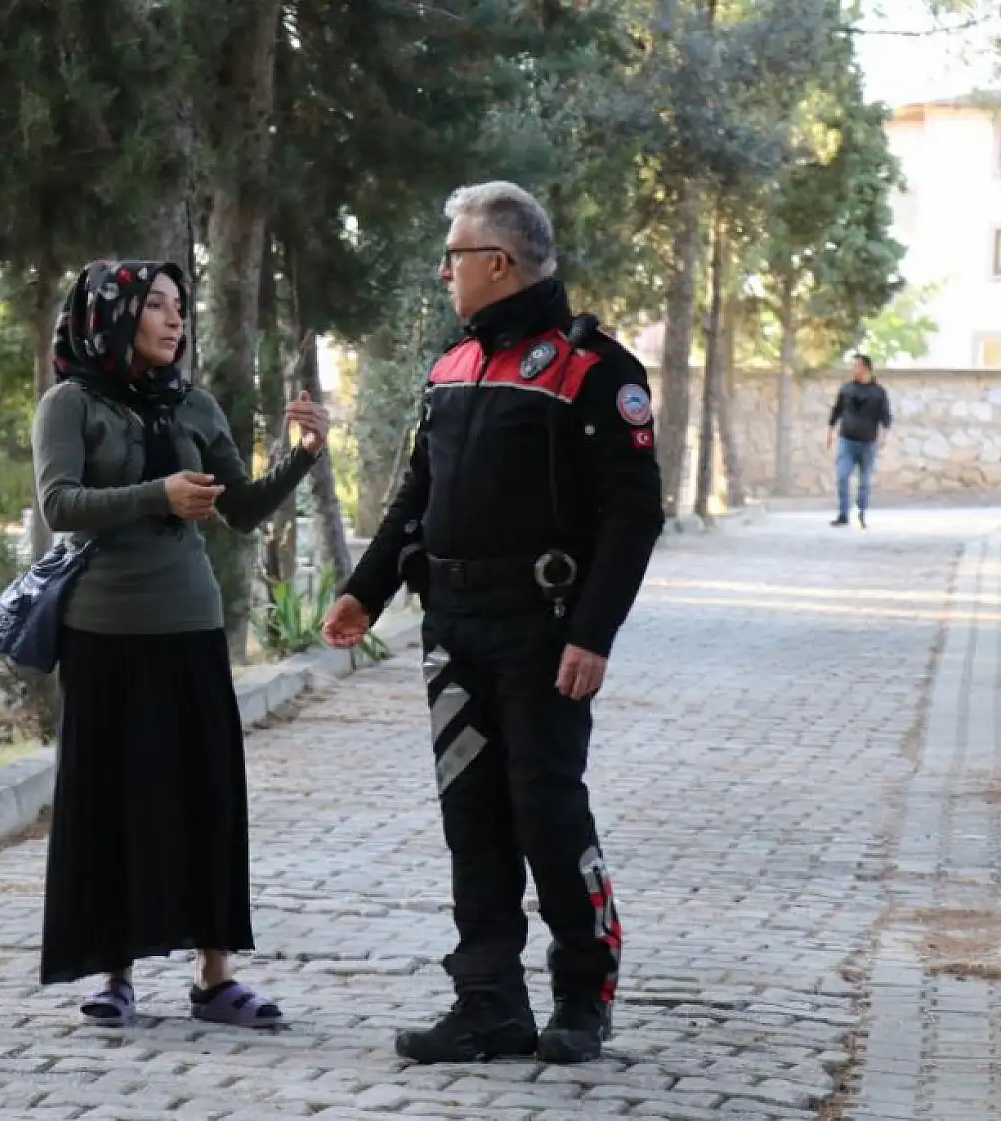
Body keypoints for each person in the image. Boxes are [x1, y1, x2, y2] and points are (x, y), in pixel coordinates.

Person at [323, 181, 664, 1065]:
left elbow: (633, 514)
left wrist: (593, 633)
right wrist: (366, 590)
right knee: (471, 816)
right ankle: (487, 1004)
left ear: (499, 263)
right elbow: (416, 497)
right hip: (456, 629)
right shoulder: (452, 367)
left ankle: (583, 995)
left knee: (545, 809)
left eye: (456, 256)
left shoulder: (597, 372)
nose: (444, 272)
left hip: (546, 632)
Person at [31, 259, 328, 1028]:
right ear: (113, 313)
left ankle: (215, 976)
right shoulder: (70, 403)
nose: (174, 320)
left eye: (179, 307)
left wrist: (300, 455)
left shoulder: (195, 404)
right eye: (156, 305)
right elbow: (60, 503)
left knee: (205, 796)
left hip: (192, 627)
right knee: (110, 801)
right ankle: (113, 973)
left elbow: (244, 509)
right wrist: (156, 495)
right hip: (103, 632)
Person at [827, 353, 892, 529]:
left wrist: (884, 437)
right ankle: (843, 514)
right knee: (842, 476)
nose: (853, 369)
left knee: (864, 481)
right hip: (846, 440)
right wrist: (830, 431)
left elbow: (885, 417)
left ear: (866, 368)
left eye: (856, 365)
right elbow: (836, 411)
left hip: (868, 443)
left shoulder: (878, 392)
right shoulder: (846, 389)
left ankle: (861, 513)